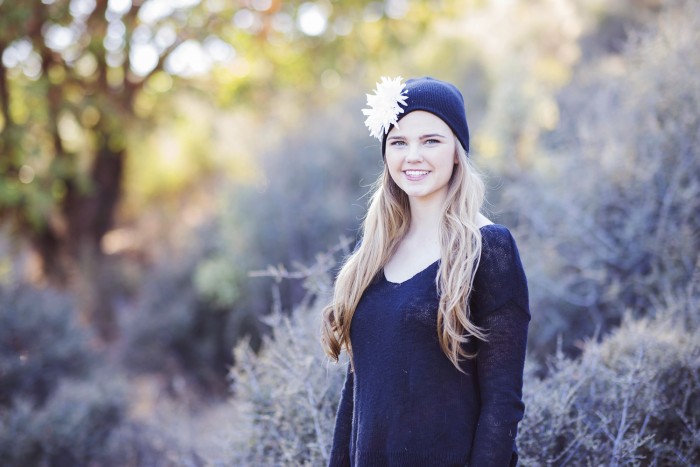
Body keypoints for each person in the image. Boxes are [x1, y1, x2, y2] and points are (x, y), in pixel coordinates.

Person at [321, 76, 530, 467]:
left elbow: (502, 404)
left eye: (430, 140)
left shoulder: (488, 249)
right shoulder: (373, 255)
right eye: (399, 142)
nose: (412, 156)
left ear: (456, 151)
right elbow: (357, 394)